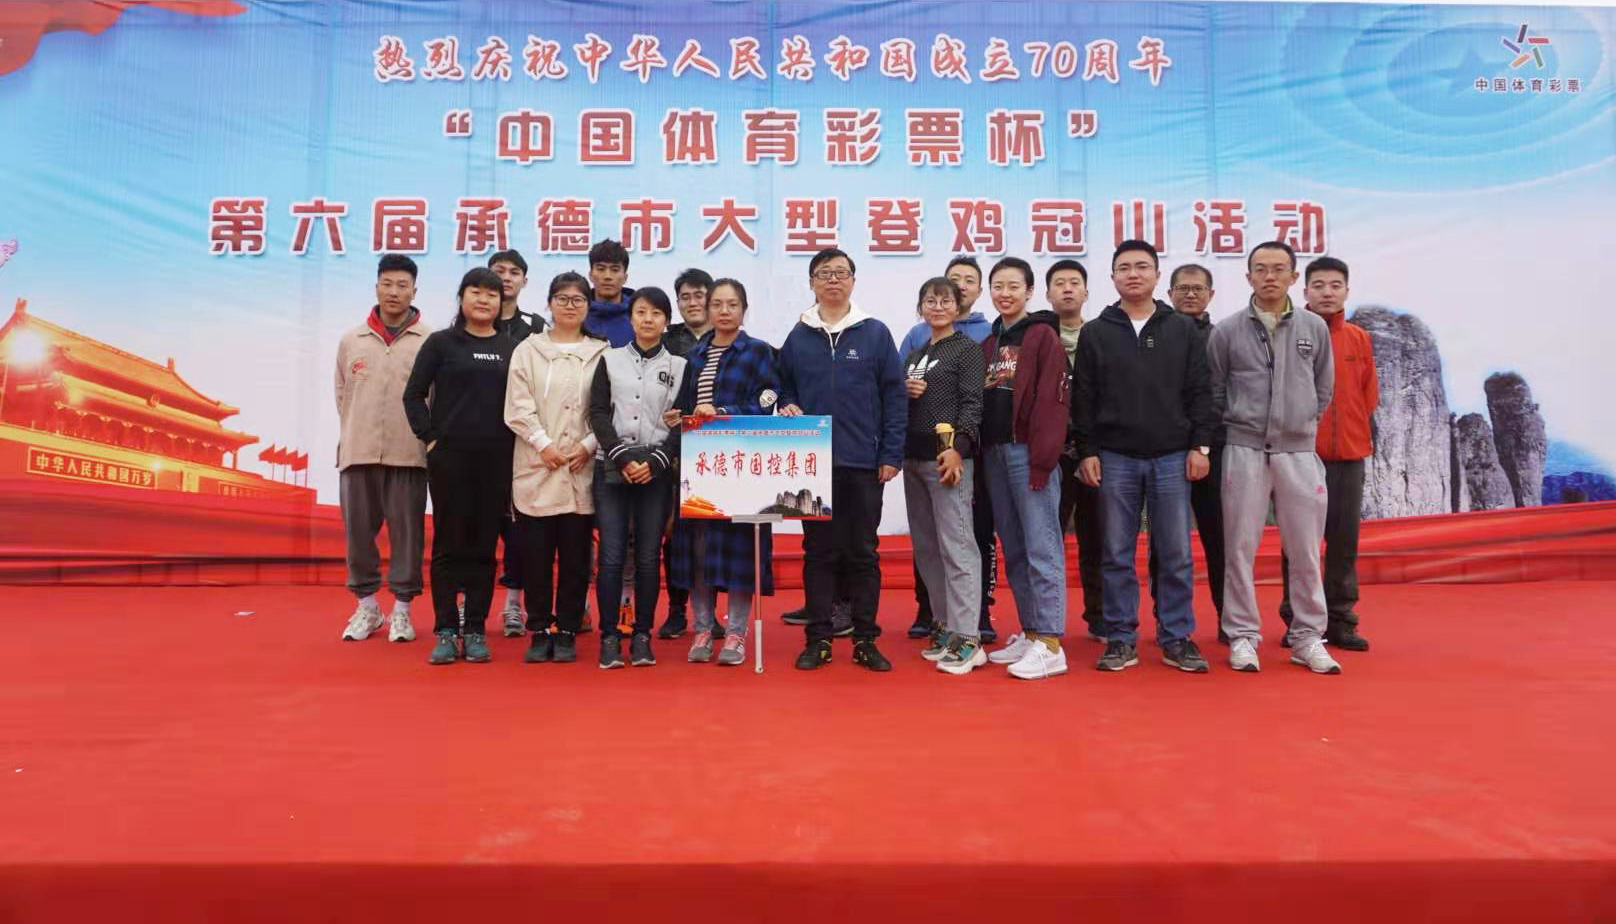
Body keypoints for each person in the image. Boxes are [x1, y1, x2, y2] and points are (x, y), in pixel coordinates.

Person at [1073, 240, 1214, 674]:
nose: (1133, 274)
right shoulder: (1096, 332)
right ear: (1113, 277)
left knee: (1175, 552)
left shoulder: (1182, 329)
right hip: (1115, 457)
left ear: (1156, 275)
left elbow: (1200, 391)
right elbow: (1084, 398)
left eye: (1142, 267)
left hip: (1172, 456)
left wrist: (1201, 446)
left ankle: (1176, 636)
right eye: (1124, 268)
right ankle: (1120, 637)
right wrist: (1087, 451)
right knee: (1116, 552)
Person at [1207, 241, 1340, 675]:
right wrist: (1240, 421)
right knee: (1239, 548)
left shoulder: (1313, 328)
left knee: (1304, 549)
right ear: (1248, 277)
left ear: (1293, 277)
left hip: (1297, 450)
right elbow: (1216, 389)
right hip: (1244, 449)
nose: (1269, 276)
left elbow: (1323, 387)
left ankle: (1308, 636)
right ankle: (1243, 635)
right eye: (1261, 269)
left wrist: (1300, 421)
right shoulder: (1227, 331)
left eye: (1279, 269)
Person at [779, 248, 906, 672]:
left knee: (863, 552)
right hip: (811, 464)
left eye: (841, 273)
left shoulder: (875, 333)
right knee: (818, 552)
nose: (833, 279)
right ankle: (818, 639)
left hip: (864, 462)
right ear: (811, 283)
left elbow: (894, 396)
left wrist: (890, 453)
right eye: (824, 273)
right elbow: (783, 386)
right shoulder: (799, 336)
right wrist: (787, 403)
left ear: (853, 280)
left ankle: (866, 639)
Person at [402, 267, 518, 665]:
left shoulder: (511, 348)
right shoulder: (441, 343)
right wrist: (430, 437)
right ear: (462, 297)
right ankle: (446, 630)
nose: (483, 300)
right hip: (449, 460)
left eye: (492, 294)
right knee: (448, 545)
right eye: (476, 292)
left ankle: (476, 629)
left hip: (496, 461)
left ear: (501, 302)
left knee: (484, 546)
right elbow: (413, 395)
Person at [669, 279, 780, 666]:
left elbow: (768, 400)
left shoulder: (758, 351)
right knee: (699, 549)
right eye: (717, 304)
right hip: (700, 465)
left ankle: (735, 633)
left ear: (744, 309)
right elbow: (687, 405)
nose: (724, 311)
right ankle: (702, 627)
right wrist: (678, 417)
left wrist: (724, 412)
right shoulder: (696, 354)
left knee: (739, 551)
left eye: (732, 304)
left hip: (742, 464)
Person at [504, 272, 610, 664]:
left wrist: (588, 444)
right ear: (549, 303)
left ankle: (566, 629)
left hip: (582, 465)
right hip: (537, 464)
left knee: (576, 558)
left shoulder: (602, 352)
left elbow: (608, 408)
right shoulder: (528, 350)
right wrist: (542, 444)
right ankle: (538, 628)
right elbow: (518, 405)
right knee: (535, 557)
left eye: (578, 299)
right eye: (562, 298)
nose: (570, 305)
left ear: (588, 306)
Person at [895, 255, 998, 641]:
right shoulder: (915, 354)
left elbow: (973, 404)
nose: (938, 307)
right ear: (920, 307)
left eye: (945, 300)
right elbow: (898, 406)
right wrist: (903, 391)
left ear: (958, 307)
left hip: (948, 460)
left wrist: (959, 447)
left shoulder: (966, 349)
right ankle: (944, 625)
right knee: (927, 549)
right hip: (913, 458)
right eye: (930, 301)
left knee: (958, 547)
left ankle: (968, 635)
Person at [976, 257, 1071, 680]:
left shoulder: (1042, 335)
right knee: (1014, 548)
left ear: (1029, 291)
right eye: (998, 286)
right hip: (996, 453)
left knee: (1042, 547)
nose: (1005, 293)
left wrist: (1043, 460)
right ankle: (1032, 632)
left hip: (1029, 455)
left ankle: (1051, 643)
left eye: (1014, 286)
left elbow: (1053, 402)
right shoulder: (990, 342)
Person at [1278, 256, 1377, 652]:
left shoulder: (1358, 338)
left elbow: (1368, 396)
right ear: (1304, 291)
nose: (1327, 293)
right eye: (1318, 285)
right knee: (1298, 543)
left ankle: (1341, 620)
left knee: (1343, 542)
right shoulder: (1290, 333)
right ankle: (1297, 619)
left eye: (1335, 285)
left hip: (1349, 455)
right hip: (1301, 455)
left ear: (1346, 291)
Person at [588, 286, 686, 669]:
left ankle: (642, 635)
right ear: (630, 319)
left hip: (656, 470)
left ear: (666, 321)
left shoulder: (679, 366)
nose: (648, 319)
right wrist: (622, 456)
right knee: (611, 557)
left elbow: (685, 419)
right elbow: (598, 413)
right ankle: (609, 637)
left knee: (648, 557)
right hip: (613, 465)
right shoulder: (609, 360)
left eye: (656, 313)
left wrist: (658, 460)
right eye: (641, 312)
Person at [335, 254, 431, 644]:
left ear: (414, 291)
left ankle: (403, 612)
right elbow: (343, 395)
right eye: (387, 284)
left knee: (407, 537)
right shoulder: (351, 340)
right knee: (358, 535)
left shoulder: (429, 341)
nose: (394, 292)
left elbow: (435, 399)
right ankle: (367, 607)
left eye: (402, 285)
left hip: (408, 453)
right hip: (358, 452)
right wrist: (356, 431)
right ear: (376, 287)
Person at [1150, 263, 1228, 643]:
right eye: (1183, 288)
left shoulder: (1221, 337)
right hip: (1165, 450)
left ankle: (1229, 617)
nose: (1191, 294)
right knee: (1164, 541)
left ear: (1210, 294)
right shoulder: (1155, 335)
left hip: (1213, 449)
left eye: (1198, 288)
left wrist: (1203, 442)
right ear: (1169, 294)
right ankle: (1166, 618)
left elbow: (1222, 394)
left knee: (1218, 536)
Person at [1046, 258, 1105, 641]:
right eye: (1060, 283)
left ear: (1086, 292)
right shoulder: (1038, 336)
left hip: (1095, 452)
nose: (1067, 289)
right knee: (1047, 540)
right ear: (1047, 293)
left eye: (1074, 283)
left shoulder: (1102, 335)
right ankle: (1046, 622)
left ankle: (1100, 617)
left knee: (1097, 537)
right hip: (1050, 455)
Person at [655, 267, 712, 640]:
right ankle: (676, 610)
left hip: (714, 451)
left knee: (710, 535)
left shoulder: (727, 338)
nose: (693, 303)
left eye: (699, 295)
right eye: (685, 297)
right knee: (673, 535)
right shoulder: (666, 341)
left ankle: (711, 614)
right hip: (672, 449)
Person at [489, 248, 542, 637]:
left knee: (520, 530)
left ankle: (513, 606)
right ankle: (467, 607)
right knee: (475, 528)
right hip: (478, 443)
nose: (505, 278)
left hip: (524, 443)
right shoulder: (467, 325)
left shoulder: (536, 328)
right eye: (498, 271)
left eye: (513, 272)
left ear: (525, 280)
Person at [584, 238, 635, 347]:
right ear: (591, 275)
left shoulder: (638, 317)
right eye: (601, 269)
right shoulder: (576, 314)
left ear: (625, 277)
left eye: (615, 270)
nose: (607, 276)